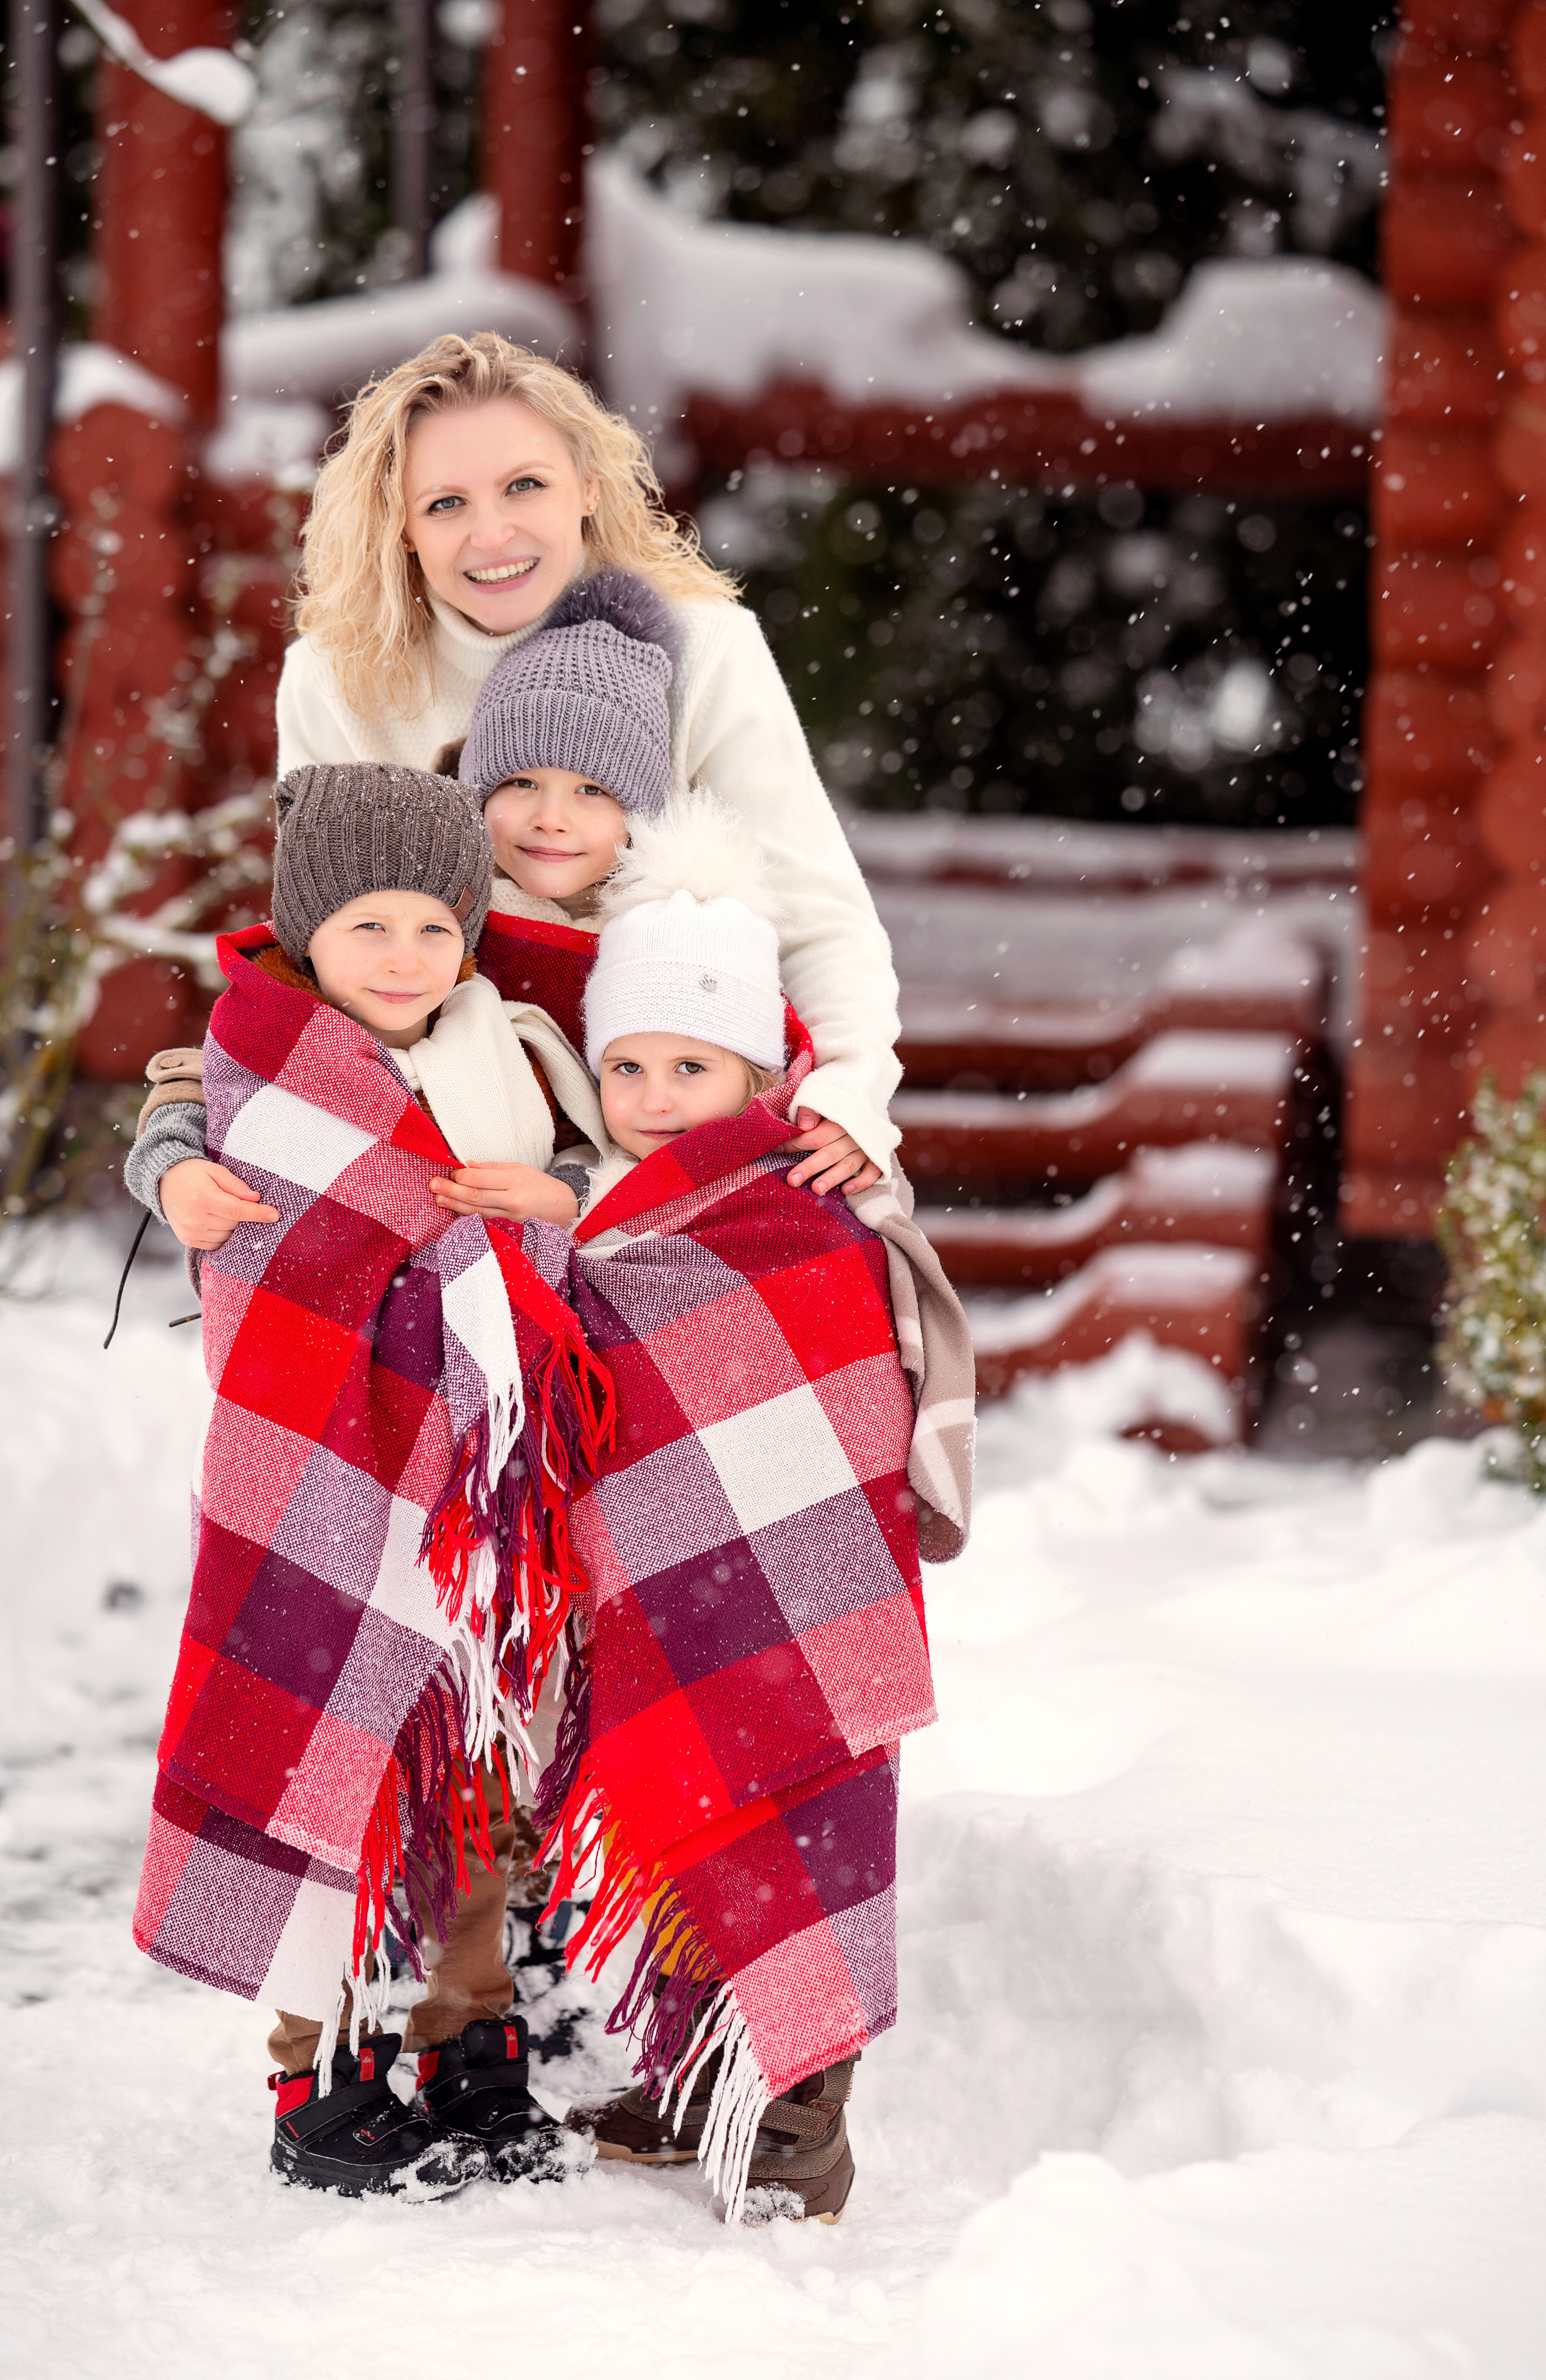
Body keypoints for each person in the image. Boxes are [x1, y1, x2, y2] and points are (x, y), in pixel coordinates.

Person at [149, 328, 898, 1255]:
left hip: (663, 1109)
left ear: (588, 485)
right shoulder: (339, 678)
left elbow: (815, 911)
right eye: (447, 502)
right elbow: (322, 947)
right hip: (454, 1117)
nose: (491, 534)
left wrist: (852, 1086)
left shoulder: (701, 650)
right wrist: (183, 1135)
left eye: (525, 486)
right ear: (401, 524)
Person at [132, 763, 614, 2200]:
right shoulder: (251, 1052)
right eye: (367, 931)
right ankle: (317, 2054)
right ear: (303, 932)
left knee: (471, 1765)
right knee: (313, 1756)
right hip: (320, 1472)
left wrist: (555, 1204)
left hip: (480, 1487)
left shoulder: (514, 1049)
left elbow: (601, 1176)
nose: (405, 962)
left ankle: (467, 2029)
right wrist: (172, 1182)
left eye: (432, 929)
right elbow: (171, 1123)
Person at [514, 793, 977, 2224]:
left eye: (690, 1066)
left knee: (798, 1802)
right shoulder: (606, 1205)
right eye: (630, 1066)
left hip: (803, 1572)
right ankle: (704, 2060)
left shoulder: (804, 1196)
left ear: (756, 1065)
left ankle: (801, 2124)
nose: (655, 1096)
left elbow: (836, 1367)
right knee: (674, 1804)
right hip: (669, 1568)